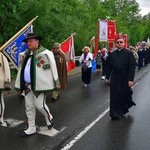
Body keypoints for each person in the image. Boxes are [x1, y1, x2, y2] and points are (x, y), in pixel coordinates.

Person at [15, 33, 60, 136]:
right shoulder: (26, 54)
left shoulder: (46, 53)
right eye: (27, 42)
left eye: (30, 41)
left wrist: (56, 82)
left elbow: (53, 67)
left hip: (40, 86)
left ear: (37, 41)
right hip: (27, 86)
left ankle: (48, 117)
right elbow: (21, 68)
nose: (28, 43)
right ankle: (31, 128)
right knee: (29, 107)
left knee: (40, 106)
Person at [105, 37, 136, 120]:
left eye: (121, 42)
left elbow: (132, 67)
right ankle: (114, 114)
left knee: (125, 94)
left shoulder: (129, 53)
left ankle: (123, 109)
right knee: (114, 96)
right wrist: (107, 77)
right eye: (117, 42)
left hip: (125, 77)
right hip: (115, 78)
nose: (119, 43)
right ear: (115, 43)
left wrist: (130, 80)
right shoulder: (112, 54)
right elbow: (108, 67)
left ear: (124, 43)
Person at [0, 52, 11, 126]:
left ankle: (1, 117)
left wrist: (7, 81)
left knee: (0, 101)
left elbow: (7, 68)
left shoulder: (1, 55)